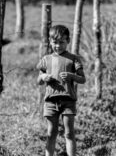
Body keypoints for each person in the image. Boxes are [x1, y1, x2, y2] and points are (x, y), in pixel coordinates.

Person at [37, 25, 86, 156]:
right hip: (50, 102)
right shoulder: (46, 59)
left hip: (68, 101)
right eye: (55, 42)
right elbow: (38, 80)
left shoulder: (74, 59)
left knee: (69, 132)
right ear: (50, 41)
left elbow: (82, 79)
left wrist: (72, 76)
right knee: (51, 133)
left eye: (62, 42)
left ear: (68, 41)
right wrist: (43, 77)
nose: (58, 46)